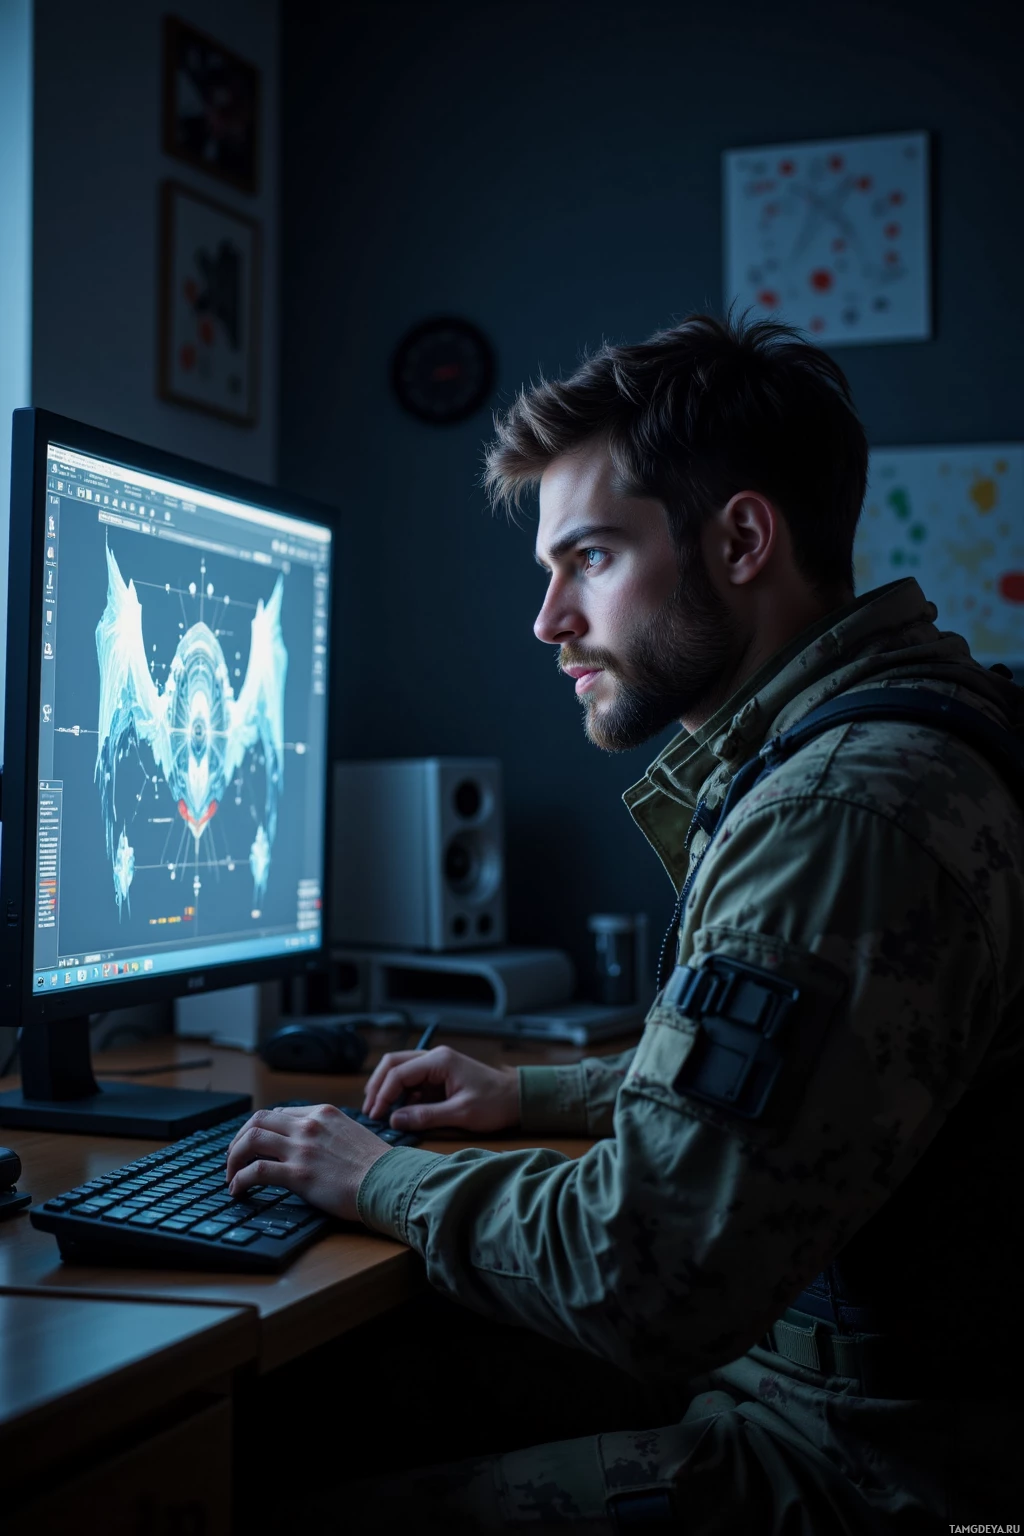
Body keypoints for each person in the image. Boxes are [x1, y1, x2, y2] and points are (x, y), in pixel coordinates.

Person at [227, 314, 1024, 1532]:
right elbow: (801, 1082)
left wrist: (376, 1174)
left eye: (589, 558)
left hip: (870, 1462)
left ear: (741, 541)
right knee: (320, 1403)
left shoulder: (839, 811)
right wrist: (526, 1096)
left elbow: (642, 1271)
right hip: (799, 1379)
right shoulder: (889, 732)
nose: (548, 619)